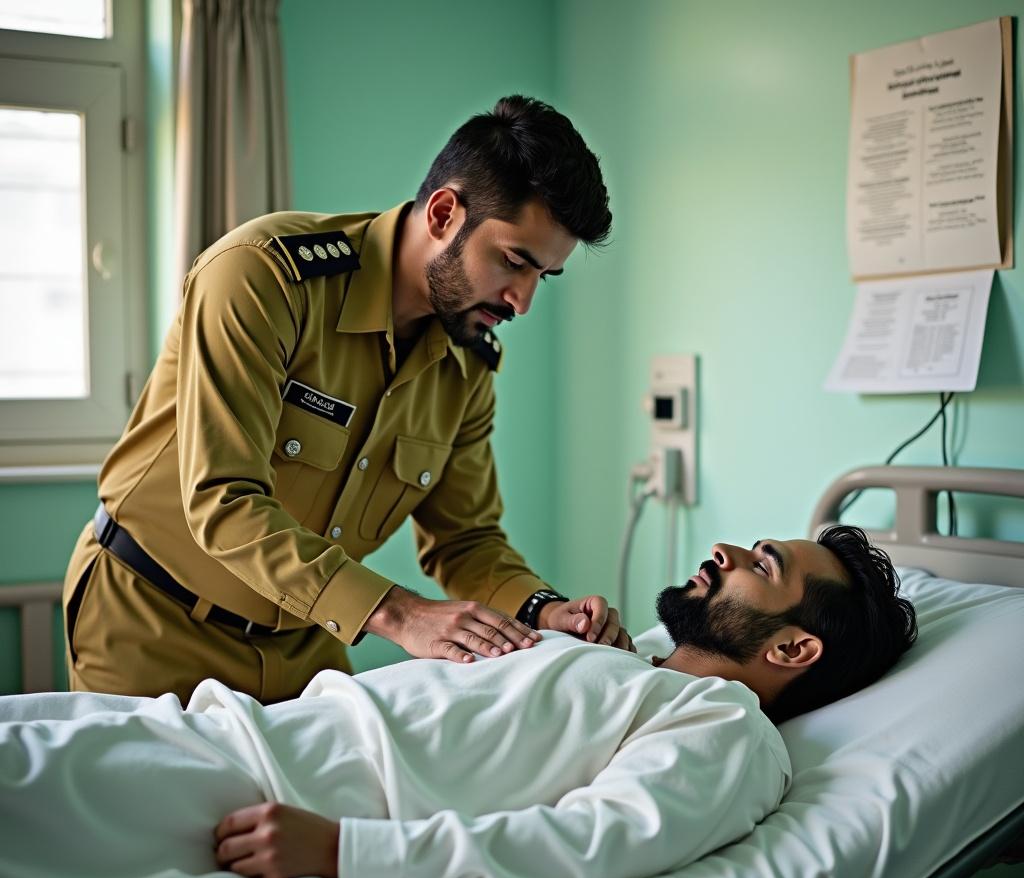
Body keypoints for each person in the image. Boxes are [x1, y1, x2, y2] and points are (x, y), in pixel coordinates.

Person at [1, 526, 916, 878]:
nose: (723, 551)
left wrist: (344, 853)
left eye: (761, 563)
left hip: (257, 796)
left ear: (794, 651)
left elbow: (591, 841)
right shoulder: (630, 667)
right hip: (221, 727)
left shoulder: (727, 729)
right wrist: (563, 644)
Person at [61, 95, 630, 705]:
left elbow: (464, 539)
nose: (522, 301)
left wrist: (544, 609)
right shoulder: (263, 277)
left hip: (307, 644)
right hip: (153, 621)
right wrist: (400, 614)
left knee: (307, 807)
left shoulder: (468, 358)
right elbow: (223, 501)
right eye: (514, 262)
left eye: (543, 275)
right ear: (443, 213)